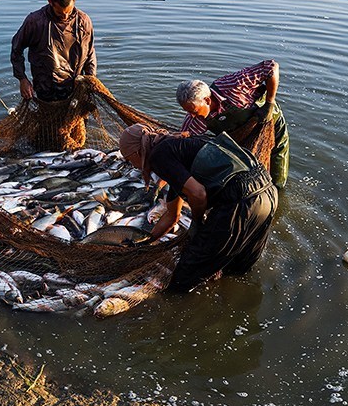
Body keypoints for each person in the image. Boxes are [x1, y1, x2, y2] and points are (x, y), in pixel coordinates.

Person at [119, 123, 278, 293]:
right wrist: (148, 242)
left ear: (137, 152)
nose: (132, 165)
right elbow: (172, 216)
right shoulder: (181, 147)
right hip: (268, 192)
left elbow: (199, 193)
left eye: (129, 159)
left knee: (182, 281)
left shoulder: (159, 155)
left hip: (242, 201)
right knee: (236, 270)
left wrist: (197, 222)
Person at [176, 59, 289, 189]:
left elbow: (271, 67)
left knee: (277, 161)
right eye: (187, 112)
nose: (192, 116)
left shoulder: (234, 85)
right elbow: (182, 145)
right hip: (240, 135)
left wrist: (269, 102)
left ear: (207, 100)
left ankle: (278, 190)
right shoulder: (193, 121)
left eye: (194, 111)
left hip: (267, 120)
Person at [10, 0, 97, 102]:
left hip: (75, 87)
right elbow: (16, 49)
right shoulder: (35, 22)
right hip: (45, 89)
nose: (65, 17)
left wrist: (91, 78)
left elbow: (90, 53)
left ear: (75, 0)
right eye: (60, 13)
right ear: (50, 2)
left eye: (69, 12)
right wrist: (22, 79)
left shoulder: (83, 21)